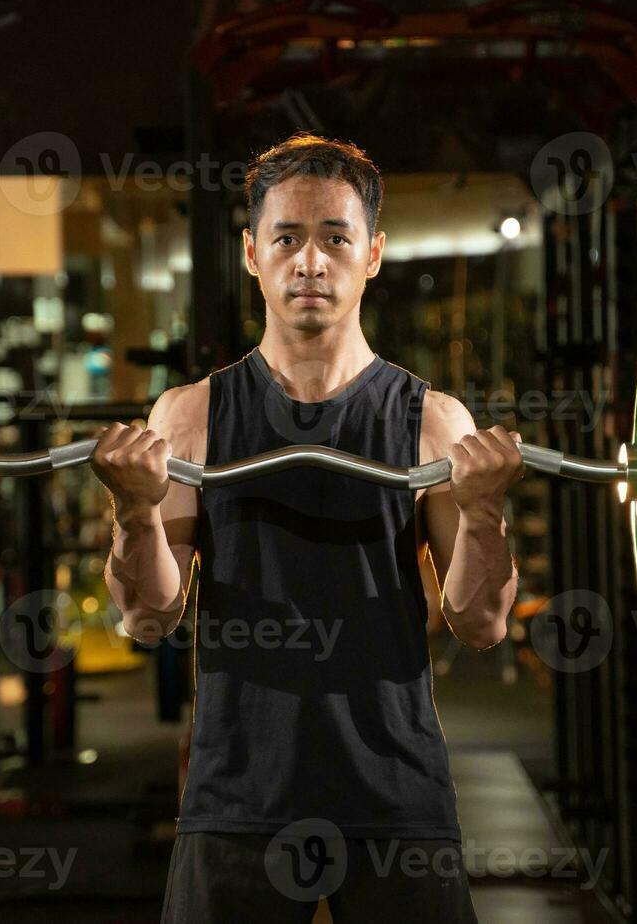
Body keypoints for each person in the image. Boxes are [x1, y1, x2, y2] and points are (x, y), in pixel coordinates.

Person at [95, 134, 522, 923]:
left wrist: (488, 510)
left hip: (394, 794)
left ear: (374, 253)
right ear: (252, 253)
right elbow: (148, 615)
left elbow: (483, 623)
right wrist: (131, 508)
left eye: (335, 238)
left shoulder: (432, 421)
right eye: (287, 238)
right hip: (238, 795)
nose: (311, 262)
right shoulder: (191, 417)